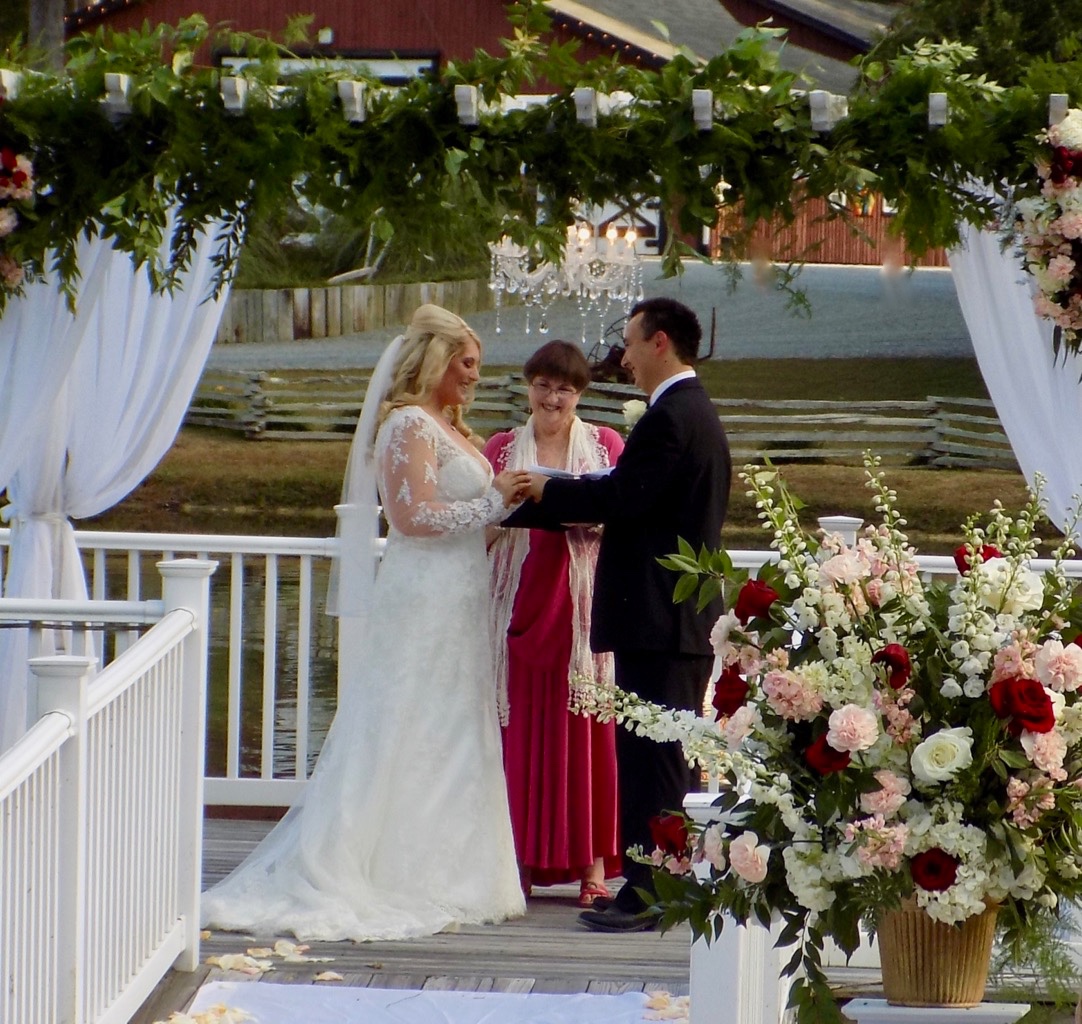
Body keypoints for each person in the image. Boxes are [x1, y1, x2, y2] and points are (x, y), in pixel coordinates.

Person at [202, 304, 531, 941]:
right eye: (467, 363)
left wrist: (508, 510)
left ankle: (457, 873)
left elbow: (467, 525)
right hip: (421, 595)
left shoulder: (451, 427)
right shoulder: (408, 424)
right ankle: (382, 870)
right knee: (405, 719)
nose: (474, 377)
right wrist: (493, 500)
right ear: (435, 360)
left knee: (454, 723)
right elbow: (412, 519)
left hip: (461, 595)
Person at [519, 297, 731, 932]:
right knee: (652, 756)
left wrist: (545, 487)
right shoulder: (688, 411)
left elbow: (623, 496)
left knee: (656, 761)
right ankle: (648, 887)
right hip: (669, 619)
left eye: (632, 342)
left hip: (661, 619)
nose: (626, 355)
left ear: (660, 343)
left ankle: (652, 893)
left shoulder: (673, 416)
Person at [484, 340, 624, 909]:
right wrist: (498, 503)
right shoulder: (498, 450)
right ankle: (512, 862)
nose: (553, 397)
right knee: (518, 736)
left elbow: (626, 520)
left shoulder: (606, 445)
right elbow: (480, 533)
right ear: (528, 386)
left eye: (565, 388)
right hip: (517, 601)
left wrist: (587, 510)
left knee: (584, 734)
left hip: (580, 604)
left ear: (580, 394)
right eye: (543, 384)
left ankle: (593, 869)